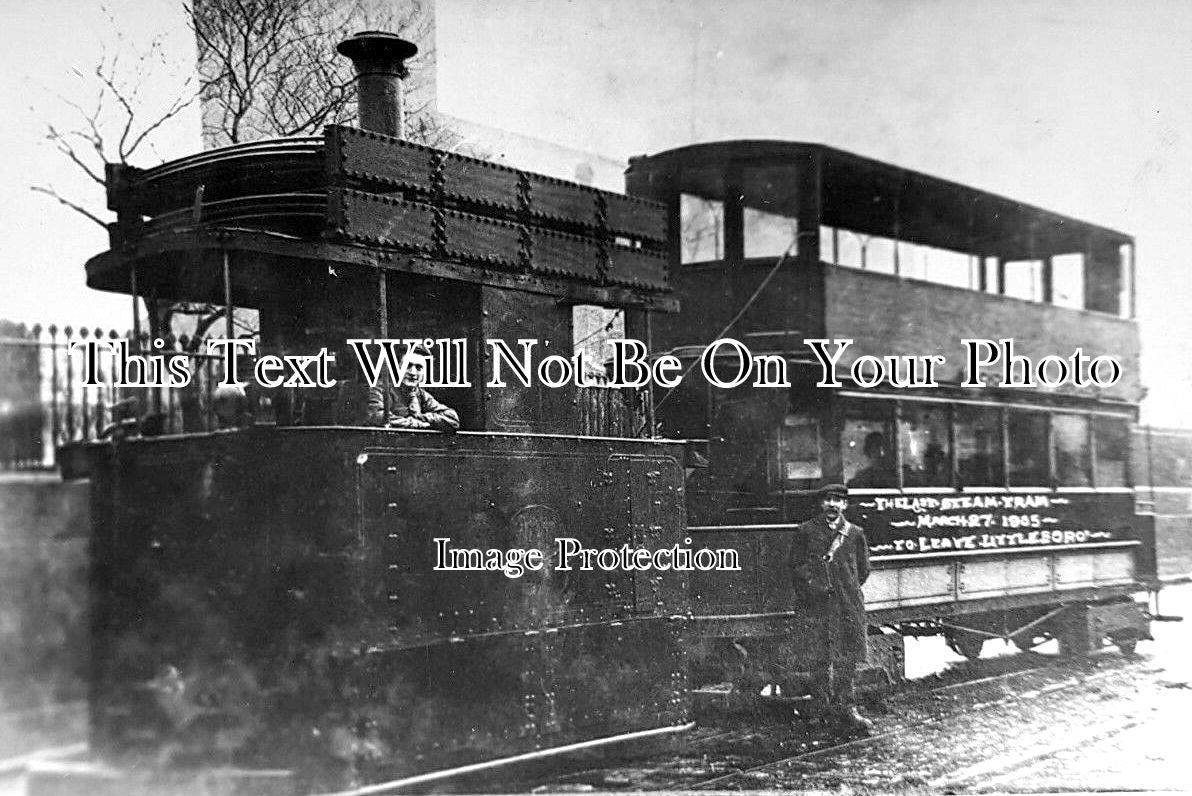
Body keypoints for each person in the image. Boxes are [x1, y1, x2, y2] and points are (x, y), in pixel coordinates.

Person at [789, 483, 873, 734]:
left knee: (847, 659)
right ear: (821, 504)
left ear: (844, 505)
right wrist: (816, 587)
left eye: (838, 500)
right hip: (816, 606)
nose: (832, 504)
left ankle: (847, 709)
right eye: (828, 499)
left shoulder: (855, 533)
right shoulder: (805, 531)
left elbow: (863, 569)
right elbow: (796, 567)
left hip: (847, 606)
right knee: (818, 659)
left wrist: (844, 589)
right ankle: (820, 710)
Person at [365, 348, 459, 431]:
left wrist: (422, 417)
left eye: (419, 368)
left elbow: (452, 419)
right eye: (407, 366)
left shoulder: (420, 394)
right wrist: (417, 424)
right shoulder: (380, 389)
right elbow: (378, 416)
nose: (413, 373)